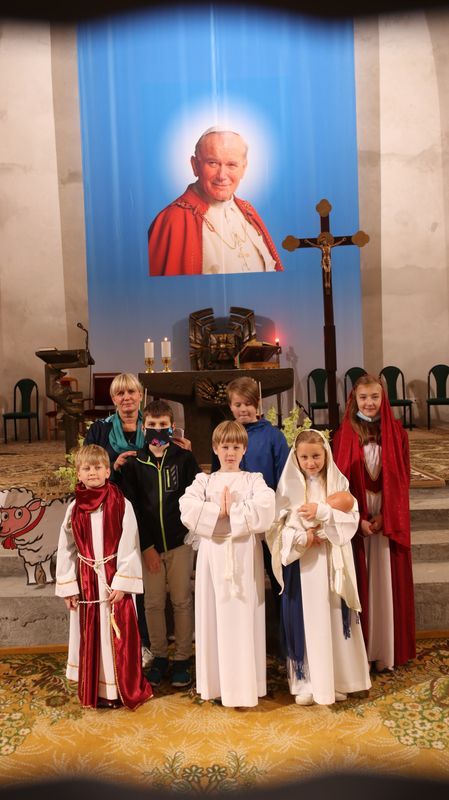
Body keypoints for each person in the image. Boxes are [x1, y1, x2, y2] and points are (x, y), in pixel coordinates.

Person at [267, 429, 371, 706]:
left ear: (326, 454)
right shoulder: (287, 487)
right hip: (303, 564)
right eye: (304, 457)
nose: (311, 462)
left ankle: (338, 679)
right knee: (306, 619)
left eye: (316, 456)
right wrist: (302, 537)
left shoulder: (337, 482)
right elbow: (276, 529)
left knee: (334, 616)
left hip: (330, 560)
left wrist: (325, 522)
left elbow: (351, 516)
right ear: (296, 458)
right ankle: (306, 682)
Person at [179, 420, 275, 708]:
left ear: (244, 449)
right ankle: (216, 684)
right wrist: (216, 512)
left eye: (236, 447)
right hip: (213, 555)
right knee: (213, 616)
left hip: (244, 554)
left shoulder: (253, 480)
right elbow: (187, 506)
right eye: (225, 447)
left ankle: (245, 687)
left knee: (244, 617)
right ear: (215, 448)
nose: (230, 453)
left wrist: (230, 511)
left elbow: (266, 505)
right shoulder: (204, 481)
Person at [55, 444, 152, 709]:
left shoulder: (121, 503)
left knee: (116, 637)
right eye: (87, 468)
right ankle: (96, 691)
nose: (93, 472)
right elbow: (66, 548)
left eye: (98, 467)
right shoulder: (74, 508)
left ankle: (119, 691)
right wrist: (69, 586)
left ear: (108, 471)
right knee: (92, 636)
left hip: (113, 579)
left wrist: (122, 583)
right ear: (78, 474)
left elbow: (130, 545)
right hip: (87, 581)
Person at [332, 374, 416, 671]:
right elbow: (338, 482)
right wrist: (357, 520)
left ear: (384, 399)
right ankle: (362, 651)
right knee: (363, 581)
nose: (369, 403)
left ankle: (387, 649)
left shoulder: (397, 433)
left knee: (385, 583)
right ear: (354, 400)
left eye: (375, 397)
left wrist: (387, 516)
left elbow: (402, 480)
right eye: (363, 397)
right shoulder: (344, 434)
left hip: (386, 516)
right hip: (358, 517)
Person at [119, 399, 200, 689]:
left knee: (181, 600)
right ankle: (160, 656)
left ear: (171, 427)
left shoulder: (184, 459)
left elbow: (195, 498)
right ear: (144, 428)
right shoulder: (134, 464)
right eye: (152, 425)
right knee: (153, 603)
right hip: (149, 547)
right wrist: (147, 547)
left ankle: (182, 658)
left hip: (179, 543)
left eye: (162, 425)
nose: (157, 429)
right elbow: (133, 509)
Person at [148, 127, 284, 276]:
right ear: (195, 166)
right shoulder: (172, 220)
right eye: (213, 163)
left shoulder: (248, 211)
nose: (222, 176)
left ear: (244, 168)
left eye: (231, 165)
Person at [211, 376, 289, 624]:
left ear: (258, 404)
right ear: (230, 406)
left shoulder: (273, 437)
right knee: (240, 578)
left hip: (267, 522)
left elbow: (284, 479)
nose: (243, 409)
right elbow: (217, 476)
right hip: (233, 524)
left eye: (248, 403)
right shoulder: (226, 435)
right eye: (237, 404)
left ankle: (282, 635)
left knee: (276, 577)